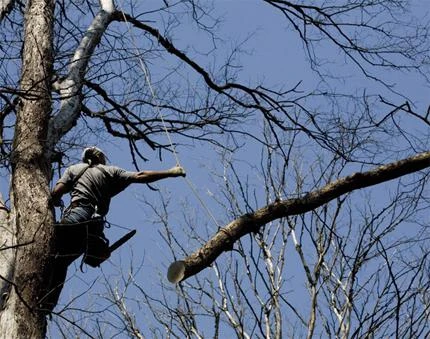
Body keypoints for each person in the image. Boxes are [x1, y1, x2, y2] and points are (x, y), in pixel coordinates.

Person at [42, 146, 186, 312]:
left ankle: (44, 303)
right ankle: (46, 306)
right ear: (101, 158)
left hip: (78, 215)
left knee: (55, 255)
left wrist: (54, 200)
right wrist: (171, 172)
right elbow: (140, 176)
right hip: (93, 228)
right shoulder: (111, 171)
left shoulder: (74, 169)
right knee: (62, 261)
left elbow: (56, 193)